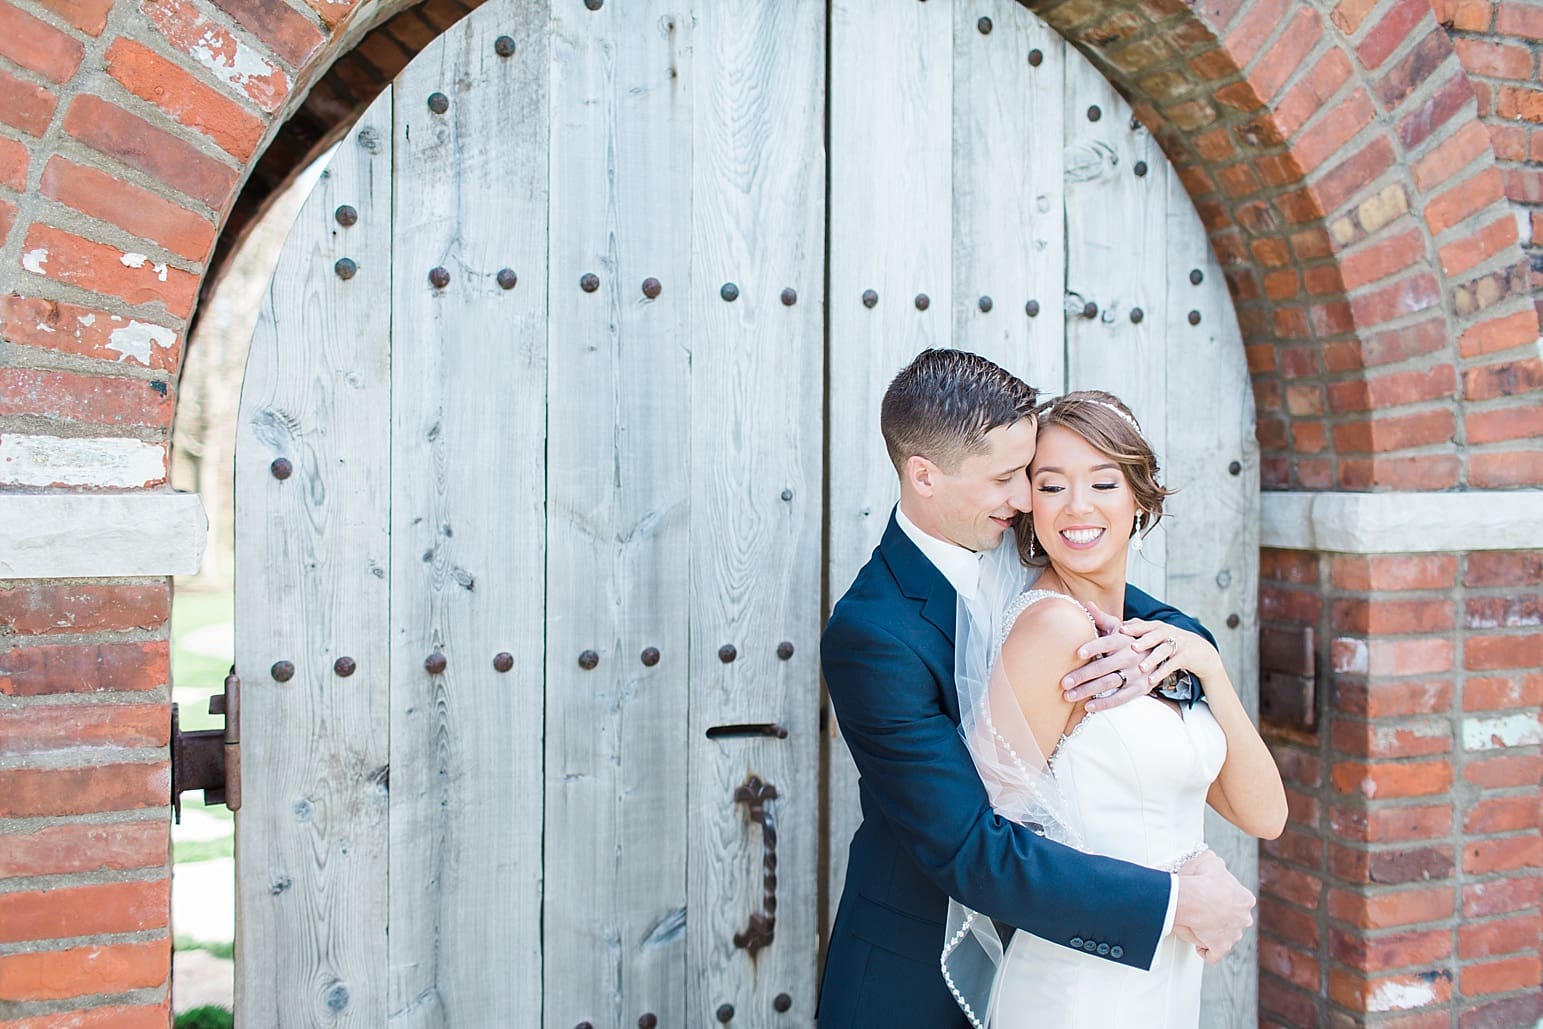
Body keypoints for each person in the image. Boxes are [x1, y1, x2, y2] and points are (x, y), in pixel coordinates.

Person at [818, 350, 1259, 1029]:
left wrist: (1174, 654)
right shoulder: (874, 632)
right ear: (924, 475)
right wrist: (1173, 901)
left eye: (1027, 474)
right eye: (1006, 478)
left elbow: (1134, 603)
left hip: (1068, 960)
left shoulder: (1014, 547)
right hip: (915, 981)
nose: (1026, 499)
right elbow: (968, 847)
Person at [945, 389, 1287, 1027]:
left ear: (1139, 497)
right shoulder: (1050, 631)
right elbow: (987, 841)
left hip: (1165, 978)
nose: (1078, 507)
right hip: (1081, 985)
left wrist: (1208, 666)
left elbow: (1265, 815)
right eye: (1051, 487)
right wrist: (1171, 890)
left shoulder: (1158, 637)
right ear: (1029, 509)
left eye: (1103, 481)